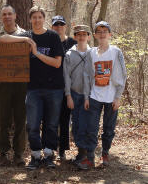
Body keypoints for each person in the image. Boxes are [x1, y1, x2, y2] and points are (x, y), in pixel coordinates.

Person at [0, 6, 64, 170]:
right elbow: (3, 39)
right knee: (33, 125)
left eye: (39, 17)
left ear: (44, 19)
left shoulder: (53, 36)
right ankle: (36, 156)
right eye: (33, 17)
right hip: (33, 88)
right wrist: (24, 40)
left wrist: (36, 52)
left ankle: (49, 155)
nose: (37, 20)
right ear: (30, 20)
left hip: (54, 88)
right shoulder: (27, 35)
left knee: (51, 124)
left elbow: (57, 63)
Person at [79, 21, 127, 169]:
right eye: (99, 31)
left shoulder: (116, 52)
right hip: (94, 96)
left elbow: (122, 75)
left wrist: (118, 97)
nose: (102, 34)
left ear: (110, 34)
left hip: (111, 97)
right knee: (91, 128)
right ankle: (90, 158)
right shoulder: (91, 53)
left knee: (109, 128)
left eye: (105, 31)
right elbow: (87, 76)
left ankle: (105, 153)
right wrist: (86, 96)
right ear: (94, 35)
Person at [0, 5, 27, 166]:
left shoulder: (26, 34)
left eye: (9, 14)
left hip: (22, 84)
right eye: (4, 14)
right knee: (3, 119)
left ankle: (19, 153)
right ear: (1, 17)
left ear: (15, 16)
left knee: (21, 119)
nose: (7, 17)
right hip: (2, 84)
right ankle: (2, 153)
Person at [63, 25, 91, 165]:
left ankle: (85, 154)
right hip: (74, 93)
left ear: (88, 37)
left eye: (84, 35)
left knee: (86, 124)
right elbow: (66, 77)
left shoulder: (93, 54)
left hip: (90, 95)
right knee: (76, 124)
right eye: (78, 35)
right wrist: (68, 96)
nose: (81, 37)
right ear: (75, 37)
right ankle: (81, 153)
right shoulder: (69, 54)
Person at [51, 15, 77, 159]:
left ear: (66, 27)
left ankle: (62, 149)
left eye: (61, 24)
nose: (59, 27)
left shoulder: (73, 43)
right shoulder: (50, 41)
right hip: (52, 87)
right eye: (56, 25)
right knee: (51, 119)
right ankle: (51, 148)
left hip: (69, 88)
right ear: (52, 27)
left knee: (65, 120)